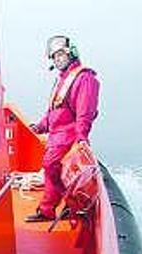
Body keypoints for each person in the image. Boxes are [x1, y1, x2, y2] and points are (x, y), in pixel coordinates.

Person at [25, 35, 100, 222]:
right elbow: (54, 111)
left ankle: (65, 206)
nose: (57, 59)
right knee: (52, 171)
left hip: (69, 136)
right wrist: (40, 127)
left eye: (61, 54)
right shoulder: (62, 80)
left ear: (71, 53)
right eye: (54, 56)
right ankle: (48, 210)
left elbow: (85, 111)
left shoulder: (84, 78)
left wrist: (81, 137)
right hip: (56, 137)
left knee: (52, 166)